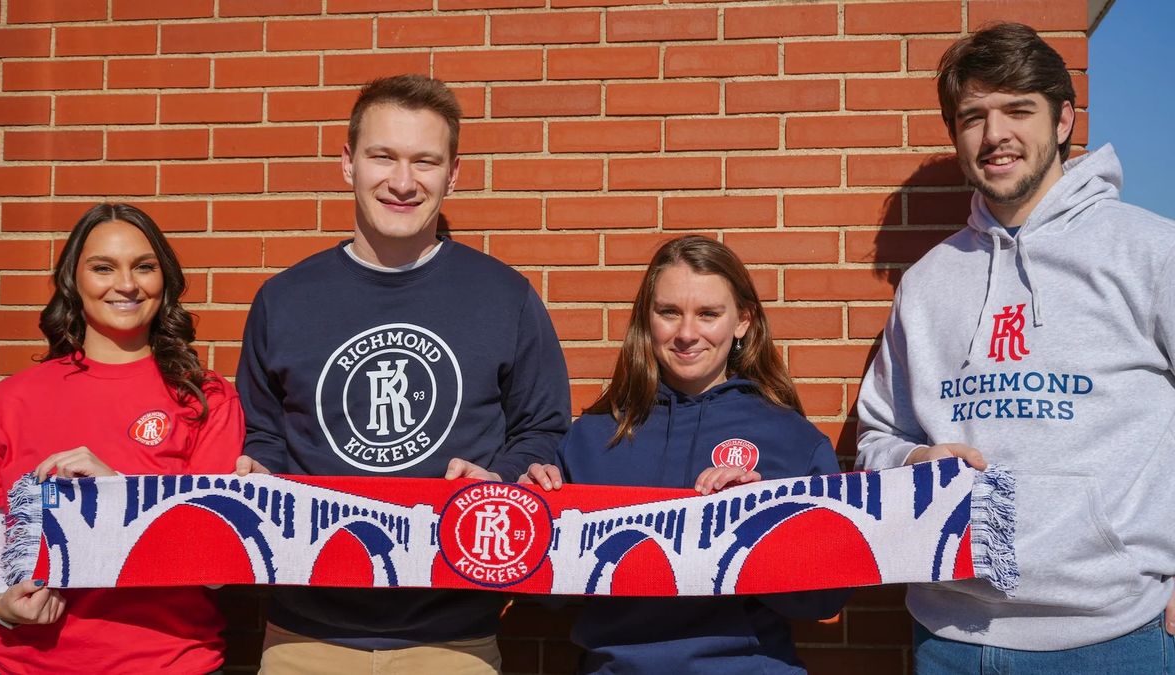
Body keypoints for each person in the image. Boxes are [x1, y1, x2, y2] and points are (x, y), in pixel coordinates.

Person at [856, 22, 1175, 672]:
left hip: (1116, 634)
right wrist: (917, 457)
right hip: (948, 635)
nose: (994, 134)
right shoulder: (926, 283)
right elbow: (877, 436)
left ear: (1063, 120)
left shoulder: (1150, 251)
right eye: (973, 117)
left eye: (1018, 110)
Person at [234, 74, 570, 673]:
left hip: (454, 638)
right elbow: (262, 435)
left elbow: (543, 430)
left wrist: (500, 479)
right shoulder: (283, 300)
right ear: (348, 163)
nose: (403, 181)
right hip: (303, 635)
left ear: (453, 173)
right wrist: (258, 472)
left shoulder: (505, 297)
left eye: (425, 161)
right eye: (383, 156)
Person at [521, 235, 848, 674]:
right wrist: (530, 517)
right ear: (647, 318)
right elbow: (545, 594)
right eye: (669, 312)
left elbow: (825, 599)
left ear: (743, 321)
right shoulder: (593, 437)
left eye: (708, 314)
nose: (687, 334)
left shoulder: (792, 439)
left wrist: (758, 523)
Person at [0, 203, 244, 674]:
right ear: (73, 280)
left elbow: (218, 566)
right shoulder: (10, 400)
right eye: (103, 268)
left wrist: (117, 493)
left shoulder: (206, 397)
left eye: (144, 267)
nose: (126, 284)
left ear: (165, 279)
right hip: (27, 664)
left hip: (169, 663)